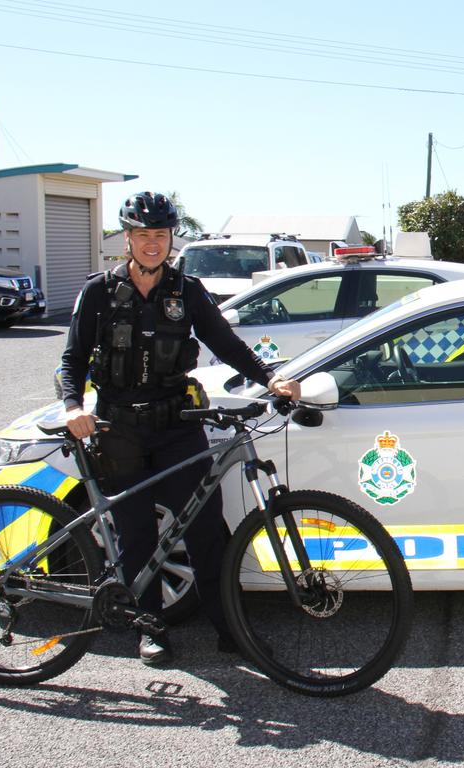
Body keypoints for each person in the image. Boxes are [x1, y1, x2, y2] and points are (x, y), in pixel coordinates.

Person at [60, 191, 300, 666]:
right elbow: (71, 360)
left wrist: (269, 376)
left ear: (172, 239)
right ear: (127, 238)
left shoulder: (186, 291)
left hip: (176, 425)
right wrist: (72, 406)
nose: (153, 244)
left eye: (161, 236)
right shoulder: (97, 292)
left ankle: (229, 626)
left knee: (207, 529)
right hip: (119, 429)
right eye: (143, 235)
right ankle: (149, 629)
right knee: (135, 534)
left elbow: (225, 343)